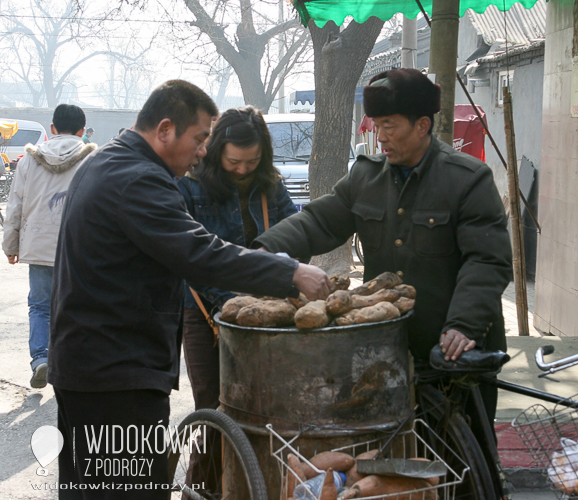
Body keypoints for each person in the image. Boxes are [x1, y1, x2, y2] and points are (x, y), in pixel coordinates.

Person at [48, 80, 332, 499]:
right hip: (115, 376)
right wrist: (289, 271)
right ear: (165, 130)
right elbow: (199, 252)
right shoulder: (139, 179)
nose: (203, 151)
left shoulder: (107, 160)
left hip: (87, 366)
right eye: (200, 139)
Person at [253, 68, 512, 425]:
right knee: (387, 455)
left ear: (422, 125)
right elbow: (318, 221)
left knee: (463, 457)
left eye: (389, 126)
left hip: (451, 347)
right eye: (376, 125)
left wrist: (464, 325)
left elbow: (487, 260)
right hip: (387, 346)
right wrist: (267, 251)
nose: (380, 136)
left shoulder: (467, 180)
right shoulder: (365, 176)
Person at [176, 106, 298, 488]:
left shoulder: (271, 184)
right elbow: (190, 256)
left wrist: (291, 272)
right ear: (216, 152)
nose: (243, 169)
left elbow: (295, 232)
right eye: (234, 162)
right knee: (215, 413)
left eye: (252, 161)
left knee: (265, 412)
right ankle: (202, 490)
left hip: (267, 315)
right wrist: (232, 303)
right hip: (204, 314)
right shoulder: (190, 184)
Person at [2, 104, 95, 389]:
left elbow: (16, 204)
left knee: (40, 306)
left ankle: (41, 359)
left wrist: (10, 244)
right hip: (79, 249)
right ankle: (72, 364)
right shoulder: (93, 158)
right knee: (78, 306)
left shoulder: (30, 160)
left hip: (39, 245)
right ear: (82, 130)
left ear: (52, 129)